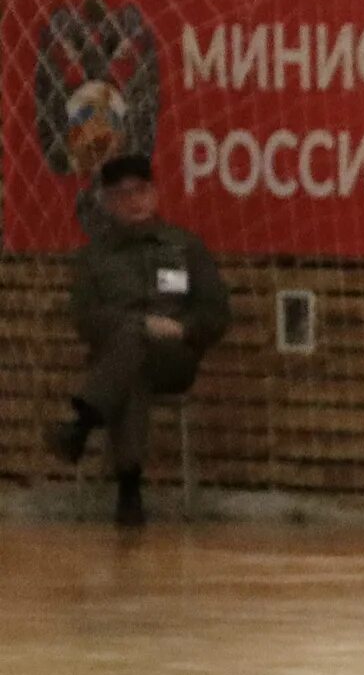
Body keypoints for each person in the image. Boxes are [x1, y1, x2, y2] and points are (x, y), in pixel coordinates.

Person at [45, 153, 228, 525]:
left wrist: (182, 328)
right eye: (122, 194)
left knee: (134, 351)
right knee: (132, 362)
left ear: (155, 194)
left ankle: (83, 427)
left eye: (141, 191)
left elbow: (216, 312)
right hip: (122, 358)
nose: (134, 201)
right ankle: (129, 489)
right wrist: (136, 325)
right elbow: (86, 319)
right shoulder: (94, 258)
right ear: (108, 203)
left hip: (174, 356)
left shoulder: (185, 247)